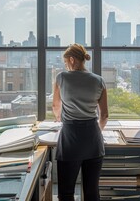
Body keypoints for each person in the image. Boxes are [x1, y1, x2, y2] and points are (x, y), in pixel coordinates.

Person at [52, 44, 109, 201]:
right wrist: (96, 131)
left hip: (70, 138)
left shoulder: (61, 78)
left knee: (66, 192)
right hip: (93, 138)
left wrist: (59, 118)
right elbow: (104, 115)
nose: (66, 66)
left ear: (71, 59)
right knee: (91, 192)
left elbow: (56, 106)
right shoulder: (99, 80)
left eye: (65, 62)